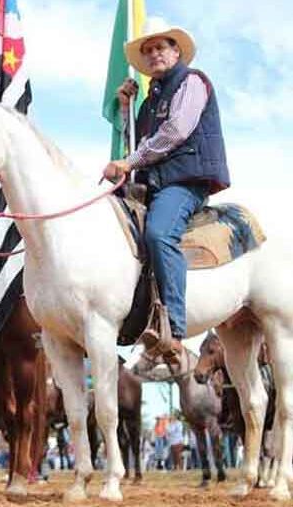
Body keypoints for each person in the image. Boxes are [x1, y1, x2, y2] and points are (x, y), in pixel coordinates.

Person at [103, 18, 230, 369]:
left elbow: (175, 131)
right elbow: (137, 145)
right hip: (155, 183)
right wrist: (127, 109)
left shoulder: (192, 81)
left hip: (185, 181)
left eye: (161, 47)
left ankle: (173, 327)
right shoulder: (149, 100)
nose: (154, 54)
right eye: (148, 51)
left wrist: (128, 162)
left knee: (159, 234)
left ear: (176, 51)